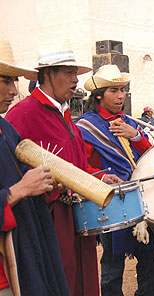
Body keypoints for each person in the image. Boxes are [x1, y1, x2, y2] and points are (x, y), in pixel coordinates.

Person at [5, 48, 99, 296]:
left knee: (84, 280)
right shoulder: (22, 114)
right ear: (48, 74)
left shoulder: (67, 115)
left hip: (78, 216)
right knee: (59, 279)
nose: (75, 80)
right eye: (69, 73)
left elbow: (77, 165)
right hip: (48, 218)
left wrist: (97, 178)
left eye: (76, 74)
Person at [76, 64, 154, 296]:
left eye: (122, 89)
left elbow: (148, 153)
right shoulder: (86, 127)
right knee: (113, 264)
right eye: (113, 90)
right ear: (98, 95)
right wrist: (102, 176)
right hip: (110, 202)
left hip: (142, 196)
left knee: (150, 257)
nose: (120, 95)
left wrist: (133, 135)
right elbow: (80, 166)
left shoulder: (130, 122)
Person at [0, 40, 70, 296]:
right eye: (6, 81)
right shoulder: (20, 114)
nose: (13, 90)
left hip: (28, 252)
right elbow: (18, 187)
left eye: (14, 81)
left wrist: (45, 184)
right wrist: (17, 191)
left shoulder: (5, 128)